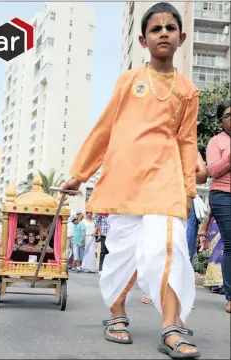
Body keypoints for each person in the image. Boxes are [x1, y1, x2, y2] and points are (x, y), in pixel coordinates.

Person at [61, 2, 200, 357]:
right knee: (123, 250)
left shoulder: (188, 90)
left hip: (166, 178)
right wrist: (80, 173)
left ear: (181, 38)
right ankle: (117, 312)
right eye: (156, 29)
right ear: (143, 40)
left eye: (171, 28)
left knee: (169, 247)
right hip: (125, 179)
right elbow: (105, 127)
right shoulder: (129, 81)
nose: (164, 33)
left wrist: (187, 188)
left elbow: (186, 141)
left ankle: (171, 326)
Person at [206, 99, 231, 314]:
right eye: (228, 115)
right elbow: (212, 170)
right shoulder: (216, 142)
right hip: (224, 195)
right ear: (221, 120)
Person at [186, 152, 207, 264]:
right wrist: (191, 168)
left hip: (185, 200)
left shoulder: (191, 148)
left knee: (187, 246)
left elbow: (203, 175)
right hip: (157, 203)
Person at [202, 216, 223, 293]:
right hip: (217, 225)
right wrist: (203, 229)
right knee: (217, 253)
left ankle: (223, 284)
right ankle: (216, 284)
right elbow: (207, 212)